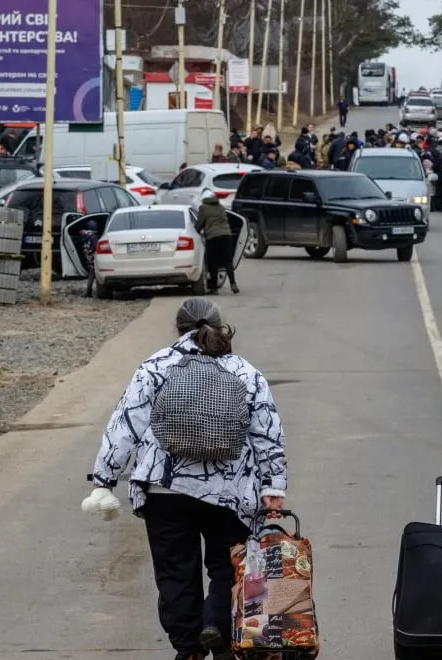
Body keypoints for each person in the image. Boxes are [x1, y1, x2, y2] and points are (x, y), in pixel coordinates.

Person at [85, 298, 288, 660]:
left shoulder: (156, 366)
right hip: (230, 492)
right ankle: (219, 628)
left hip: (166, 490)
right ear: (219, 326)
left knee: (176, 572)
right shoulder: (244, 371)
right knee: (231, 565)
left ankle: (189, 649)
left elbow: (125, 425)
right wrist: (273, 485)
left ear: (178, 329)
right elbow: (266, 432)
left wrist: (104, 479)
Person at [196, 191, 239, 294]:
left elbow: (199, 224)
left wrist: (198, 230)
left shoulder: (203, 208)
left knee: (213, 262)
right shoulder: (220, 206)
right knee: (228, 261)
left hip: (213, 237)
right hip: (227, 236)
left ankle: (214, 288)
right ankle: (233, 284)